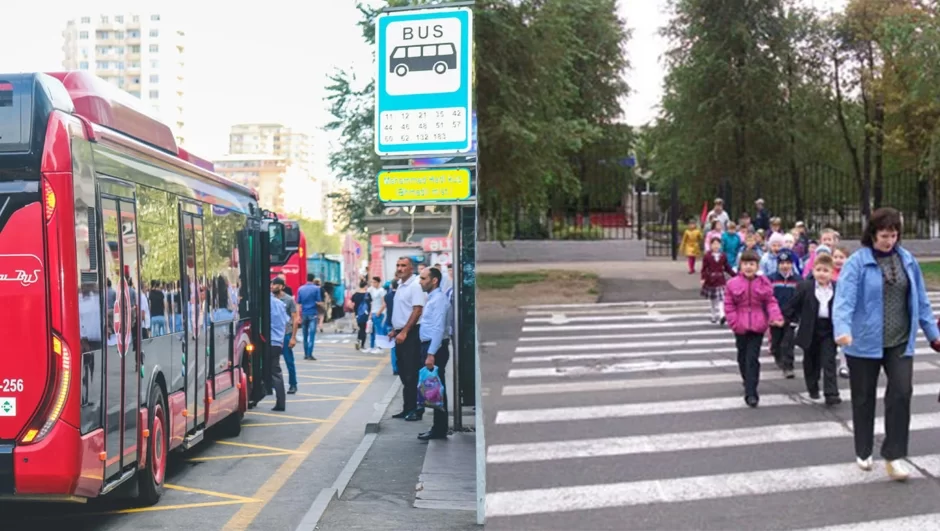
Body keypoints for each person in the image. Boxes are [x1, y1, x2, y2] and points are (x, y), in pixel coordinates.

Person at [833, 207, 940, 480]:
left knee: (902, 393)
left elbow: (921, 301)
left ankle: (894, 455)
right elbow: (844, 301)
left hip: (899, 341)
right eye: (884, 235)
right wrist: (843, 330)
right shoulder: (857, 263)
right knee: (864, 398)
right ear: (872, 234)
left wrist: (933, 334)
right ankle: (864, 449)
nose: (889, 240)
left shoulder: (907, 260)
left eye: (893, 235)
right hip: (863, 342)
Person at [724, 250, 784, 407]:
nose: (748, 267)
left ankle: (751, 392)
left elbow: (771, 302)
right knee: (742, 357)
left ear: (757, 266)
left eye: (752, 264)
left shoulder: (764, 282)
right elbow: (729, 306)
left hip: (757, 325)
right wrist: (734, 322)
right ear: (740, 266)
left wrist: (775, 317)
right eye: (745, 264)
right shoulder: (732, 284)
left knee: (752, 358)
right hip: (740, 325)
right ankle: (747, 379)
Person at [786, 253, 842, 406]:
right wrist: (788, 320)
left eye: (825, 270)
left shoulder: (838, 288)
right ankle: (813, 386)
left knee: (829, 360)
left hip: (829, 329)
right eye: (818, 270)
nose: (822, 274)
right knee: (811, 361)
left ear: (832, 272)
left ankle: (831, 393)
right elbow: (793, 305)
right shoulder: (805, 286)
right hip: (810, 327)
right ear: (813, 271)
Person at [389, 257, 426, 420]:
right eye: (398, 265)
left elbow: (417, 310)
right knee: (403, 372)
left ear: (412, 269)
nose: (399, 268)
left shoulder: (415, 285)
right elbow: (402, 311)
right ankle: (407, 408)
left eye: (403, 266)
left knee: (412, 373)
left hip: (411, 334)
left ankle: (416, 410)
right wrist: (394, 330)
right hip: (400, 333)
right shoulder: (400, 285)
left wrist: (404, 331)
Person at [417, 266, 451, 441]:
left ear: (434, 280)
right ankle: (438, 427)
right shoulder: (432, 298)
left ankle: (439, 429)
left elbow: (438, 328)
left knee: (437, 389)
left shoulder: (438, 300)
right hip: (431, 346)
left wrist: (431, 353)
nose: (420, 281)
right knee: (434, 388)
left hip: (435, 347)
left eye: (423, 278)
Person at [768, 249, 799, 379]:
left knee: (788, 342)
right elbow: (767, 298)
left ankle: (788, 366)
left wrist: (797, 316)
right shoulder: (771, 278)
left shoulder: (797, 280)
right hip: (776, 316)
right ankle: (778, 357)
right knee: (776, 343)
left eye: (787, 263)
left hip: (790, 316)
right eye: (782, 263)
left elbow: (800, 299)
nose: (785, 266)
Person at [271, 278, 299, 394]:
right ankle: (272, 385)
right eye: (272, 284)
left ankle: (293, 384)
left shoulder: (288, 300)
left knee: (289, 361)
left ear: (282, 286)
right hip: (273, 335)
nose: (273, 286)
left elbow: (295, 319)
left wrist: (293, 337)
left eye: (276, 284)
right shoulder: (270, 299)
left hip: (286, 334)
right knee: (272, 362)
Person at [700, 237, 735, 324]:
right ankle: (713, 315)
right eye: (714, 244)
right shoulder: (707, 256)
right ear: (711, 245)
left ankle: (722, 315)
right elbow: (704, 268)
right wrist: (703, 278)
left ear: (720, 245)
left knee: (721, 298)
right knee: (713, 299)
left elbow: (727, 267)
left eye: (717, 244)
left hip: (720, 279)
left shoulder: (723, 255)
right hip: (710, 280)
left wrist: (735, 275)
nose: (716, 246)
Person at [268, 289, 289, 412]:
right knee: (276, 371)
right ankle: (281, 401)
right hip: (278, 342)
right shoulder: (280, 303)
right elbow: (286, 321)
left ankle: (280, 402)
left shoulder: (265, 304)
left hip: (268, 342)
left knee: (273, 371)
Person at [296, 274, 323, 361]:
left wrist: (298, 316)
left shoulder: (300, 289)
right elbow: (318, 301)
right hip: (313, 314)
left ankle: (305, 353)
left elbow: (298, 303)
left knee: (305, 335)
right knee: (311, 335)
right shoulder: (316, 289)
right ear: (313, 279)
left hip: (304, 313)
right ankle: (309, 354)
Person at [381, 279, 399, 375]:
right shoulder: (401, 295)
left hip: (389, 323)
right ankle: (401, 366)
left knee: (393, 348)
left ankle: (395, 368)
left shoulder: (387, 296)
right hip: (400, 324)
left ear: (392, 286)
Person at [368, 276, 387, 354]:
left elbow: (384, 303)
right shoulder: (372, 290)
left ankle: (380, 347)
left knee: (379, 331)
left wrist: (379, 312)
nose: (373, 284)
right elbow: (371, 302)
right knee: (371, 330)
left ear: (379, 283)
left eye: (375, 282)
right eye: (372, 282)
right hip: (373, 312)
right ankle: (371, 347)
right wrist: (370, 314)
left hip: (378, 313)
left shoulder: (381, 291)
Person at [351, 280, 372, 351]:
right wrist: (370, 314)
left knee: (360, 328)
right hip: (365, 314)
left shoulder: (355, 294)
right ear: (365, 286)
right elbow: (370, 305)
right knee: (363, 329)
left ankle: (358, 341)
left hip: (358, 314)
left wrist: (354, 312)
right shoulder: (367, 294)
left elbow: (351, 304)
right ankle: (362, 344)